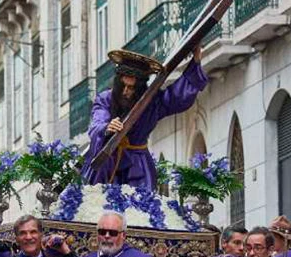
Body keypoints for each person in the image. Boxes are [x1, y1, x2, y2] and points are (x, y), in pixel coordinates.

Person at [81, 47, 208, 189]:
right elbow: (97, 123)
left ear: (140, 88)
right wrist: (107, 127)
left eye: (131, 88)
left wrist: (195, 60)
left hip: (139, 168)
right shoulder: (105, 99)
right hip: (106, 165)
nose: (125, 92)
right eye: (123, 86)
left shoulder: (151, 102)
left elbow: (176, 97)